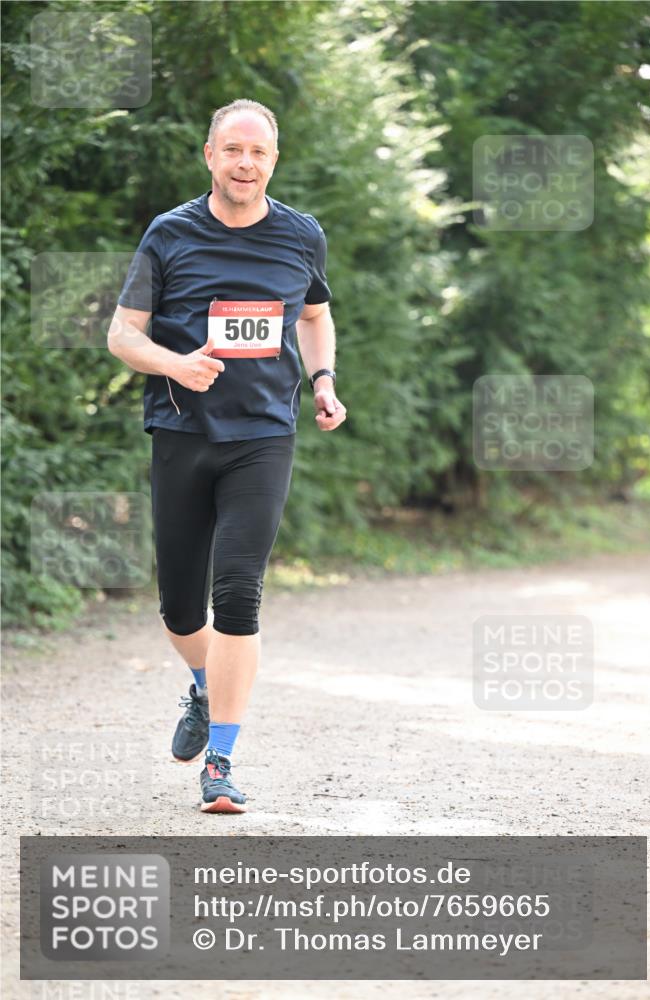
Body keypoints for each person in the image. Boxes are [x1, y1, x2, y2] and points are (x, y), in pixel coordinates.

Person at [107, 99, 346, 813]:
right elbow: (123, 334)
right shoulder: (169, 234)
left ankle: (221, 763)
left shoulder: (301, 236)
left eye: (259, 153)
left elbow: (313, 314)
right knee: (180, 608)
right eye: (233, 150)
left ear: (274, 160)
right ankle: (205, 686)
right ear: (209, 155)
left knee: (237, 591)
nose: (246, 163)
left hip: (264, 436)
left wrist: (325, 381)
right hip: (182, 433)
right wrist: (176, 365)